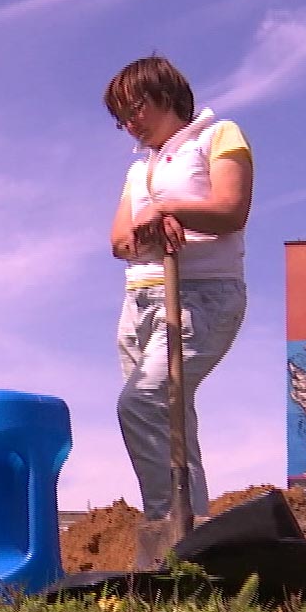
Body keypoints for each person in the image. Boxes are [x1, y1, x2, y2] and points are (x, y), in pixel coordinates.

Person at [105, 56, 254, 524]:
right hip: (140, 302)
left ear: (165, 96)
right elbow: (120, 241)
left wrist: (172, 209)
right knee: (171, 421)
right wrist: (150, 228)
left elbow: (231, 210)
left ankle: (169, 528)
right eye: (121, 119)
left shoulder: (218, 135)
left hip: (200, 295)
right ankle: (193, 528)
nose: (130, 125)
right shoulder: (139, 171)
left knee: (142, 403)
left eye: (136, 110)